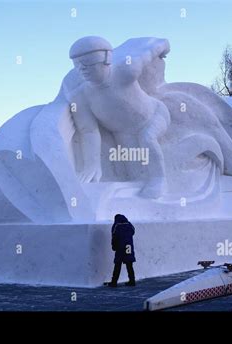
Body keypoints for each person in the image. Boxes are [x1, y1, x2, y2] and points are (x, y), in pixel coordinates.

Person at [68, 36, 171, 198]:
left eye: (88, 63)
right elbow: (89, 131)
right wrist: (92, 164)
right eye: (77, 65)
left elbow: (148, 52)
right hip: (123, 134)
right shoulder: (80, 96)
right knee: (133, 172)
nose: (82, 69)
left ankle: (160, 180)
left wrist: (164, 45)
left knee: (147, 138)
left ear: (106, 59)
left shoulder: (126, 71)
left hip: (154, 116)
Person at [108, 214, 136, 287]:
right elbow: (133, 232)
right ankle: (132, 281)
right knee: (129, 264)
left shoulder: (116, 225)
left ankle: (114, 282)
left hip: (120, 247)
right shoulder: (129, 224)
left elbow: (114, 236)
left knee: (118, 264)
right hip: (128, 246)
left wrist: (113, 246)